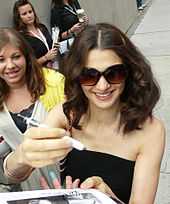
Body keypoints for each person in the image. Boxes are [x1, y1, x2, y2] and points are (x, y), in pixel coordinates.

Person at [4, 23, 165, 204]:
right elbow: (13, 174)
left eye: (114, 74)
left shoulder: (150, 131)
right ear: (76, 75)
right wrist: (23, 155)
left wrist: (110, 199)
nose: (102, 86)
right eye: (90, 75)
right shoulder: (67, 114)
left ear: (130, 72)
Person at [0, 28, 65, 191]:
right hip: (26, 188)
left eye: (16, 57)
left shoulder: (54, 83)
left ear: (27, 57)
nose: (10, 66)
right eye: (1, 60)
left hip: (67, 180)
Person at [13, 0, 59, 68]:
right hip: (39, 72)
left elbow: (49, 46)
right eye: (24, 14)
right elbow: (27, 64)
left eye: (30, 12)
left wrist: (55, 46)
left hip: (54, 67)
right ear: (19, 17)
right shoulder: (21, 37)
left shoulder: (42, 27)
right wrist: (45, 58)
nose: (29, 15)